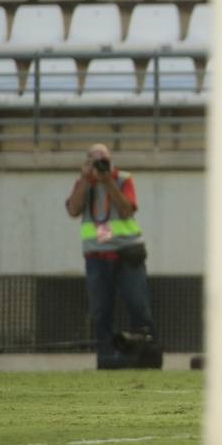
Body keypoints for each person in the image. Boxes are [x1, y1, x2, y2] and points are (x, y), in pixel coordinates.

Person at [64, 144, 157, 367]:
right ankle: (106, 360)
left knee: (138, 306)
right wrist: (86, 180)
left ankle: (146, 359)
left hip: (127, 252)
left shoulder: (122, 179)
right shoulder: (84, 183)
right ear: (86, 162)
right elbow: (73, 210)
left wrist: (107, 182)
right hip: (97, 255)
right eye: (94, 160)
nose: (99, 165)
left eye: (103, 160)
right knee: (100, 311)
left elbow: (127, 210)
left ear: (111, 160)